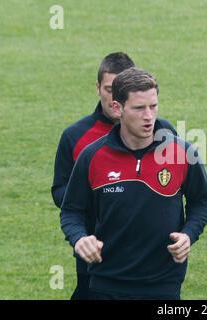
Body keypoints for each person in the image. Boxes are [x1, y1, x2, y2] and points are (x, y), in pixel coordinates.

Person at [60, 67, 207, 300]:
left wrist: (188, 234)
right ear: (117, 108)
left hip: (163, 284)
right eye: (139, 108)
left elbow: (201, 201)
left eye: (153, 106)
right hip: (106, 283)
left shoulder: (181, 152)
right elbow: (71, 210)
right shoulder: (92, 157)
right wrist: (79, 238)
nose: (149, 116)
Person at [51, 52, 175, 299]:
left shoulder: (164, 132)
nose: (113, 97)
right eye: (109, 89)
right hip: (95, 248)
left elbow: (176, 185)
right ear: (98, 88)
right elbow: (61, 193)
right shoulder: (75, 136)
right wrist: (103, 192)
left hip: (152, 264)